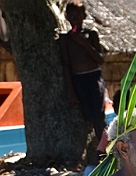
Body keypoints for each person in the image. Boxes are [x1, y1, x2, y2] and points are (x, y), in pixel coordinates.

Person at [60, 1, 107, 160]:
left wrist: (84, 44)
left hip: (94, 77)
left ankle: (106, 152)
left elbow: (100, 59)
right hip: (78, 80)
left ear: (84, 16)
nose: (74, 19)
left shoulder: (91, 34)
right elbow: (66, 65)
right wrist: (71, 91)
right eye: (71, 16)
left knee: (99, 117)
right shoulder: (65, 39)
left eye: (77, 16)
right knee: (88, 117)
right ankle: (96, 151)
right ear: (67, 17)